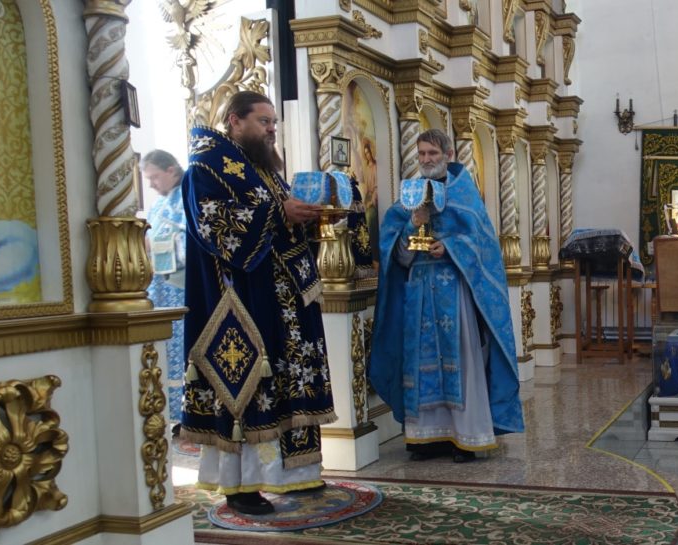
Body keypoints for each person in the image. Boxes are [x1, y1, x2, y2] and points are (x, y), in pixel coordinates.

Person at [181, 91, 337, 515]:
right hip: (242, 304)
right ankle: (241, 486)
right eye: (264, 121)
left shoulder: (261, 169)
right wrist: (279, 213)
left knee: (288, 386)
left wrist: (308, 217)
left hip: (285, 301)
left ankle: (292, 474)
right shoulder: (207, 167)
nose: (271, 129)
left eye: (273, 123)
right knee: (249, 390)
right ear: (235, 120)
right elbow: (214, 226)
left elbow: (280, 223)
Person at [369, 129, 524, 464]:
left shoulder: (464, 193)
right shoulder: (409, 196)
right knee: (418, 364)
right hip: (419, 291)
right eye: (422, 154)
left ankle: (465, 438)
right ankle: (426, 439)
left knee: (461, 362)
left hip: (455, 290)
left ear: (448, 155)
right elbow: (396, 255)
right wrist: (413, 224)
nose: (426, 160)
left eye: (433, 154)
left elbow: (482, 244)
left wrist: (450, 247)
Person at [142, 150, 186, 429]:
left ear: (171, 170)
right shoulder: (158, 206)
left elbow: (191, 242)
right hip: (159, 290)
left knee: (183, 349)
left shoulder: (189, 196)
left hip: (183, 288)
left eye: (155, 177)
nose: (151, 184)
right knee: (164, 351)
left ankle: (188, 414)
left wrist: (155, 245)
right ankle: (170, 414)